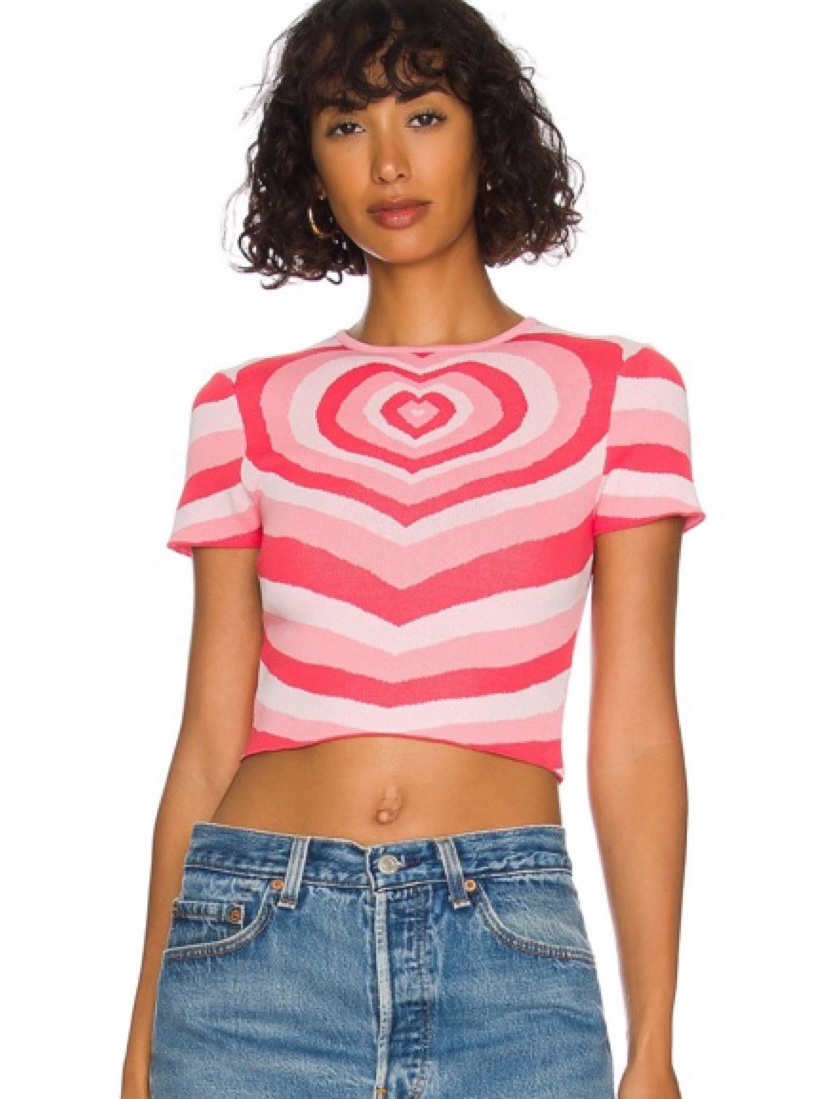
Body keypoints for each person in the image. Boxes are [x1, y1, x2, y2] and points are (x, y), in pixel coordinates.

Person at [121, 2, 706, 1097]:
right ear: (309, 163)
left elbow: (634, 734)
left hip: (509, 953)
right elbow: (205, 741)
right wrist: (141, 1040)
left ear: (488, 133)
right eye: (346, 126)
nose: (387, 162)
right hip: (250, 950)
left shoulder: (620, 389)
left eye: (423, 115)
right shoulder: (244, 405)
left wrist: (655, 1043)